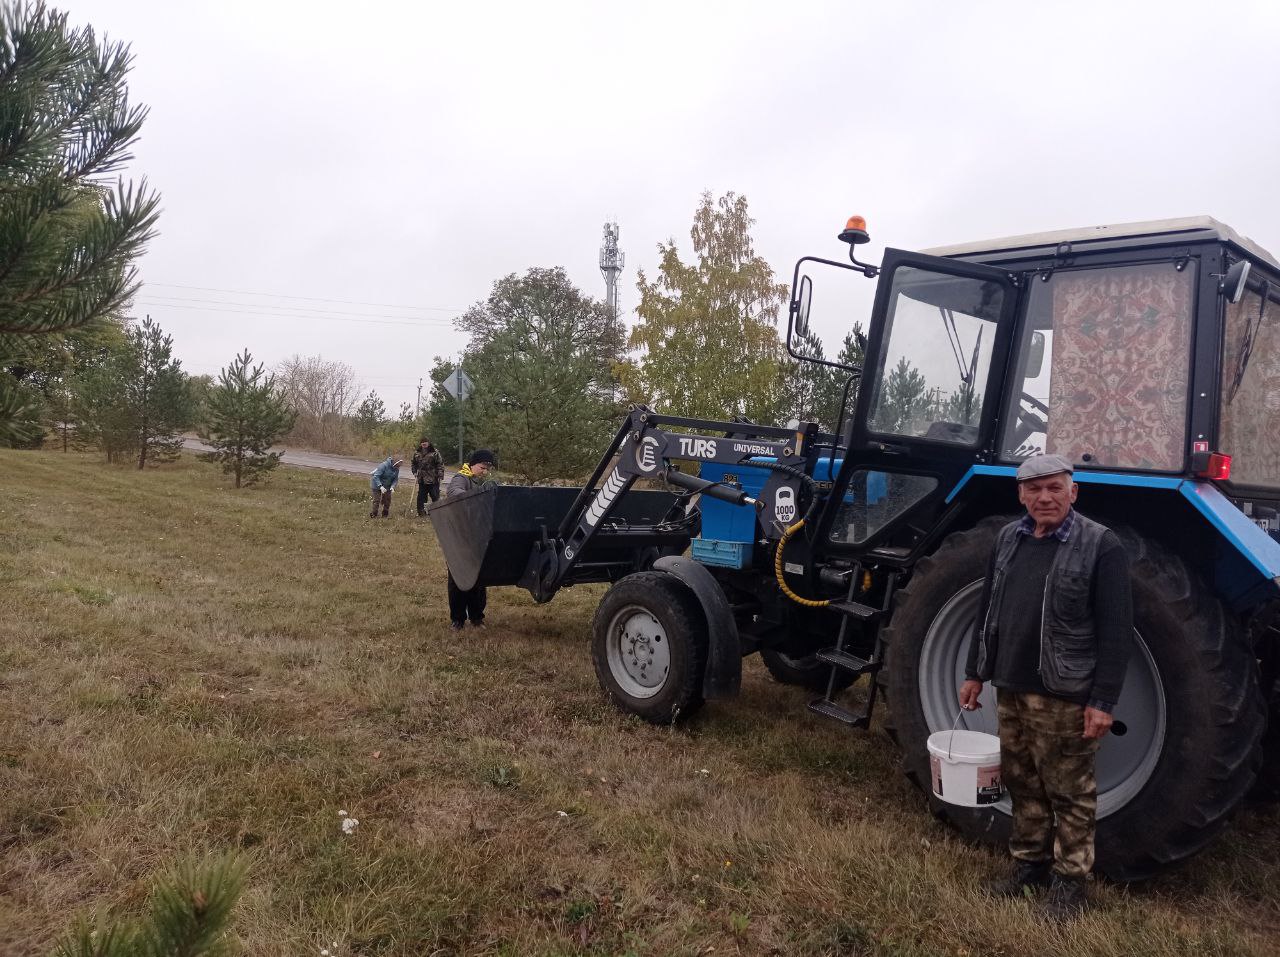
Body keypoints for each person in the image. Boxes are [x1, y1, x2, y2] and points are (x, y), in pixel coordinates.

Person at [959, 453, 1132, 921]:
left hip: (1065, 692)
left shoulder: (1101, 545)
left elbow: (1117, 631)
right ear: (1020, 494)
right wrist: (977, 672)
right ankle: (1027, 868)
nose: (1044, 497)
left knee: (1070, 792)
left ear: (1073, 491)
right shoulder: (1007, 539)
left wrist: (1102, 701)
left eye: (1054, 487)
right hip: (1010, 685)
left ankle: (1071, 884)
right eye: (1034, 489)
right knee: (1023, 783)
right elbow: (987, 612)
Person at [445, 448, 495, 629]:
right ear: (473, 464)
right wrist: (475, 499)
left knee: (478, 579)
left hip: (475, 537)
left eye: (487, 469)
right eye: (482, 467)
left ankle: (476, 616)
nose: (485, 472)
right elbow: (454, 493)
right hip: (458, 537)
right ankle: (457, 619)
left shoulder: (477, 481)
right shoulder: (461, 478)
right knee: (459, 579)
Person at [411, 438, 444, 516]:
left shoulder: (435, 452)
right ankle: (421, 512)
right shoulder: (417, 453)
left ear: (428, 443)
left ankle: (436, 512)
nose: (424, 446)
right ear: (421, 444)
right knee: (421, 497)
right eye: (423, 444)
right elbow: (413, 463)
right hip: (421, 479)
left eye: (425, 444)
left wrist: (440, 474)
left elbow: (440, 464)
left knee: (435, 496)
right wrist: (414, 472)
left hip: (433, 478)